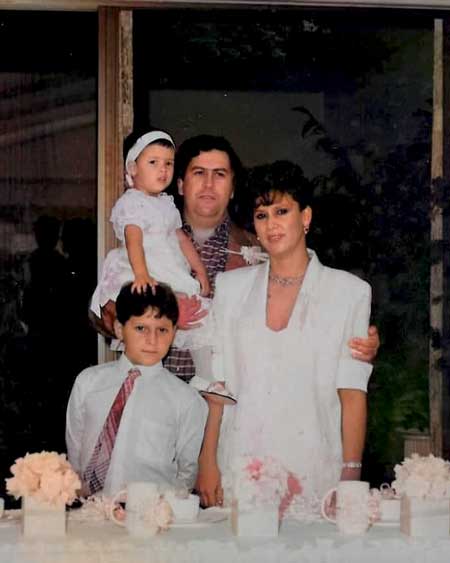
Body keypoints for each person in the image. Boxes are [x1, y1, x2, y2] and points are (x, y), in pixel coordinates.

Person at [196, 160, 373, 510]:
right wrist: (208, 461)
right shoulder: (230, 288)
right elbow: (218, 384)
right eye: (262, 215)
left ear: (305, 217)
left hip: (314, 469)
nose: (272, 224)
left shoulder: (350, 292)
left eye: (282, 211)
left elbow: (352, 393)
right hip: (239, 464)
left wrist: (350, 476)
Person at [66, 281, 208, 496]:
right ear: (119, 329)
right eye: (141, 328)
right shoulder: (88, 383)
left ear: (174, 332)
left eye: (162, 330)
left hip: (150, 515)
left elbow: (186, 472)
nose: (152, 340)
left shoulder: (187, 399)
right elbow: (75, 448)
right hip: (90, 508)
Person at [90, 129, 210, 331]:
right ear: (133, 168)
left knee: (191, 314)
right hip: (145, 264)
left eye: (168, 163)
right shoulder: (132, 203)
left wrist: (199, 270)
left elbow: (180, 239)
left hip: (168, 265)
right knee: (147, 314)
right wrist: (141, 274)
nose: (163, 170)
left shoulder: (166, 204)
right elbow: (133, 240)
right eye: (153, 162)